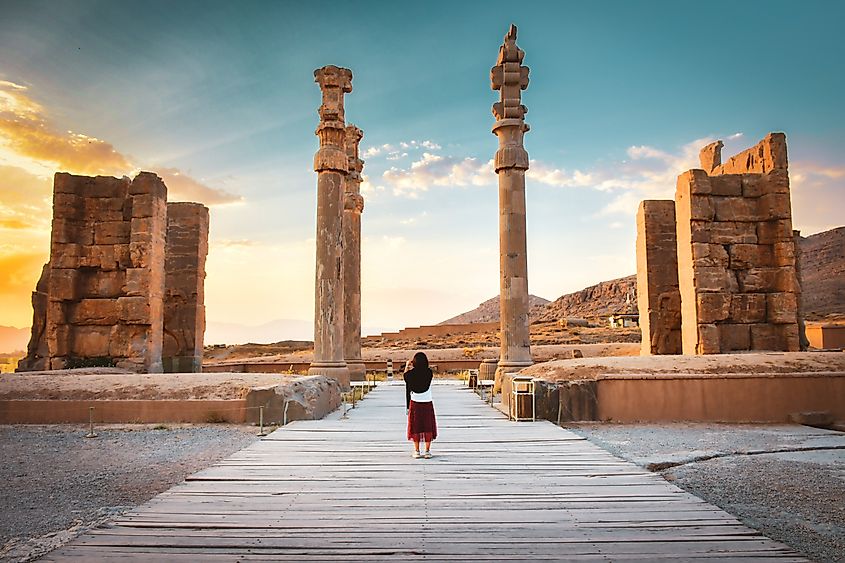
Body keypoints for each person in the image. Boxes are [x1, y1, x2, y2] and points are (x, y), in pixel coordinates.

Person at [404, 351, 437, 459]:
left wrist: (407, 366)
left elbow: (405, 376)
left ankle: (417, 451)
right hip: (427, 401)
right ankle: (427, 451)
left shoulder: (410, 375)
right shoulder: (429, 373)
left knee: (416, 426)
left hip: (415, 402)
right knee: (427, 426)